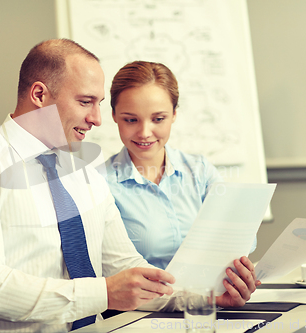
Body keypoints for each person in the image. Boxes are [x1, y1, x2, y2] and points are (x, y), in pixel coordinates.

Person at [0, 39, 175, 333]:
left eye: (98, 105)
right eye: (85, 102)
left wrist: (205, 296)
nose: (96, 119)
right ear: (39, 94)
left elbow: (126, 267)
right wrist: (103, 293)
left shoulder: (86, 174)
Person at [106, 60, 260, 308]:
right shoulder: (101, 184)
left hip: (212, 307)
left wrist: (238, 272)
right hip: (141, 318)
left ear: (174, 114)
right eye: (131, 120)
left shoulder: (199, 170)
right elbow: (119, 278)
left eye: (158, 118)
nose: (145, 132)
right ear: (114, 115)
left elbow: (241, 235)